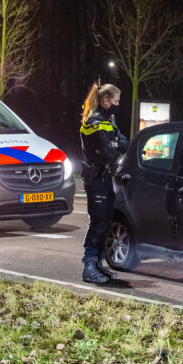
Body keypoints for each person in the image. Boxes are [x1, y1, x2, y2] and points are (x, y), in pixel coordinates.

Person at [79, 83, 129, 283]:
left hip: (107, 177)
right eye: (116, 101)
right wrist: (115, 146)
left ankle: (99, 264)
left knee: (107, 221)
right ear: (106, 101)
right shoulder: (92, 121)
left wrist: (118, 145)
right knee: (98, 222)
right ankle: (89, 266)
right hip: (96, 177)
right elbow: (106, 150)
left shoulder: (109, 120)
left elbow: (123, 143)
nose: (118, 104)